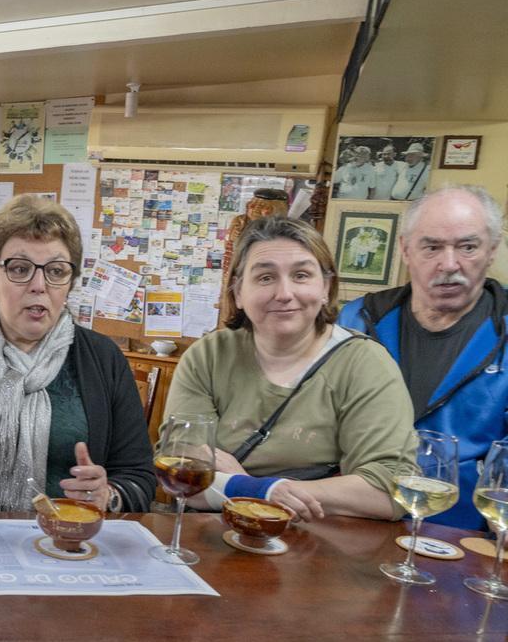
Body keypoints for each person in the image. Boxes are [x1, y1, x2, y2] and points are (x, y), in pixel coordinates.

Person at [0, 194, 155, 514]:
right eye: (20, 269)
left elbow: (139, 477)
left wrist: (109, 495)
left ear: (70, 283)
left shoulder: (105, 359)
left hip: (69, 540)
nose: (39, 285)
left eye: (56, 271)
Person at [166, 215, 413, 521]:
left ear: (326, 288)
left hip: (314, 545)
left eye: (301, 275)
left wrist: (258, 489)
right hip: (211, 538)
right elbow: (182, 475)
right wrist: (284, 490)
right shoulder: (208, 356)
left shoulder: (366, 365)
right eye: (265, 278)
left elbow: (391, 490)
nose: (284, 293)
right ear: (238, 292)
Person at [339, 186, 506, 530]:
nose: (449, 264)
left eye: (467, 247)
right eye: (431, 247)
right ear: (405, 249)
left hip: (460, 541)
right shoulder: (356, 321)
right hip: (350, 520)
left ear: (492, 250)